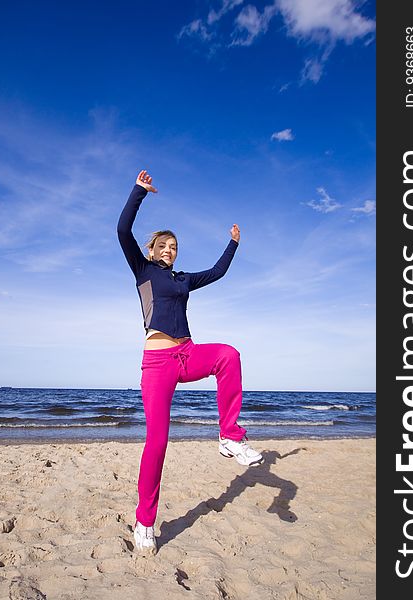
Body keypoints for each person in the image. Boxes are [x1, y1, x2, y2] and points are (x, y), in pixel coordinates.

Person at [117, 169, 263, 555]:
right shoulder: (143, 270)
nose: (169, 250)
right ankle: (145, 521)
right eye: (163, 246)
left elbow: (216, 272)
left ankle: (230, 436)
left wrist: (232, 244)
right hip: (158, 363)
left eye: (174, 247)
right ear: (152, 250)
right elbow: (121, 230)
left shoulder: (182, 280)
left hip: (187, 353)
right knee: (158, 442)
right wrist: (139, 192)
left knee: (228, 355)